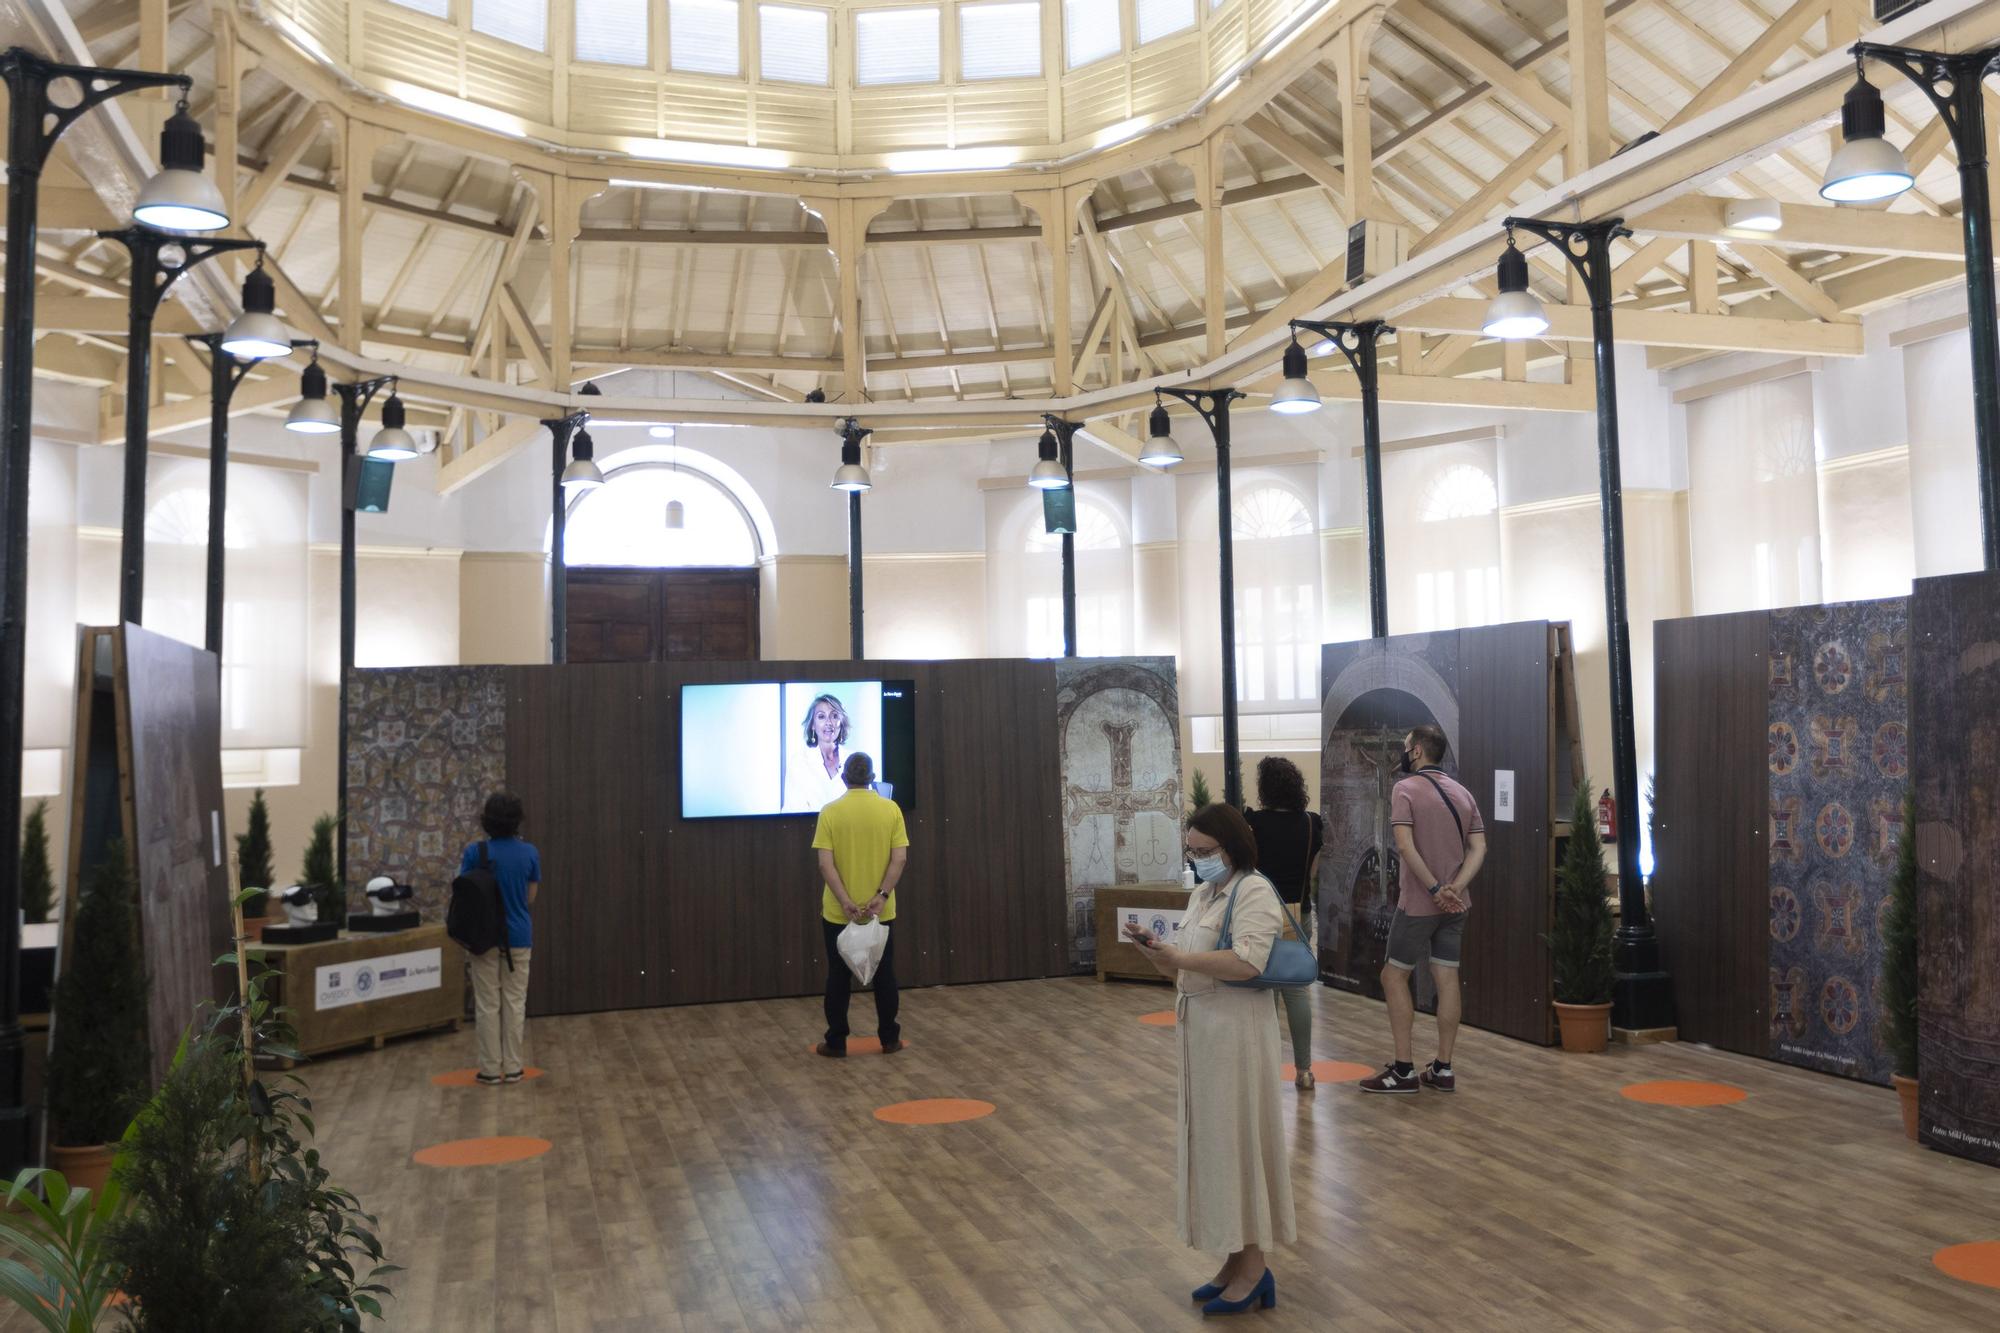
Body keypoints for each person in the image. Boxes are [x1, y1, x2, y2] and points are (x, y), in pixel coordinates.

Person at [1126, 804, 1295, 1317]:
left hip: (1238, 1036)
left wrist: (1179, 958)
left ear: (1231, 847)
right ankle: (1233, 1258)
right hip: (1203, 1032)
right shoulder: (1205, 892)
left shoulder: (1255, 891)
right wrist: (1160, 953)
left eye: (1205, 852)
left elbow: (1247, 961)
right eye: (1192, 852)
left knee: (1241, 1143)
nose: (1198, 860)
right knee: (1216, 1148)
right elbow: (1187, 957)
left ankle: (1254, 1267)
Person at [1359, 724, 1487, 1095]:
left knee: (1393, 976)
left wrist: (1433, 888)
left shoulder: (1405, 789)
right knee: (1447, 977)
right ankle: (1444, 1069)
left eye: (1405, 747)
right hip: (1456, 904)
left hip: (1418, 905)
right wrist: (1456, 889)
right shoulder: (1463, 794)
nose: (1403, 752)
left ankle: (1402, 1070)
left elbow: (1405, 846)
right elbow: (1479, 848)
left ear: (1416, 751)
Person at [811, 752, 909, 1057]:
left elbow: (825, 865)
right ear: (872, 777)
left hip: (839, 913)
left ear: (844, 777)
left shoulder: (830, 812)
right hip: (882, 912)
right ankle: (889, 1038)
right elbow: (900, 858)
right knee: (885, 974)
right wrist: (880, 896)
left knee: (838, 977)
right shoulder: (890, 810)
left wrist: (845, 901)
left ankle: (836, 1041)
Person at [1244, 757, 1324, 1090]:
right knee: (1296, 991)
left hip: (1258, 913)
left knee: (1262, 991)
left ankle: (1264, 1069)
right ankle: (1304, 1070)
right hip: (1297, 912)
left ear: (1264, 788)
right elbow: (1315, 872)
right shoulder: (1312, 823)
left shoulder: (1253, 822)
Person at [459, 792, 540, 1087]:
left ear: (487, 821)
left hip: (483, 938)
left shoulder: (474, 853)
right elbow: (530, 897)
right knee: (515, 1002)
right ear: (517, 821)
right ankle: (514, 1067)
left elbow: (464, 894)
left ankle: (490, 1069)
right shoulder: (529, 853)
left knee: (487, 1003)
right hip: (518, 935)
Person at [786, 692, 857, 813]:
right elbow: (793, 810)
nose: (829, 722)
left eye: (834, 716)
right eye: (821, 716)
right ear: (812, 725)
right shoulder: (799, 761)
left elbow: (864, 805)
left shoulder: (854, 759)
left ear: (842, 722)